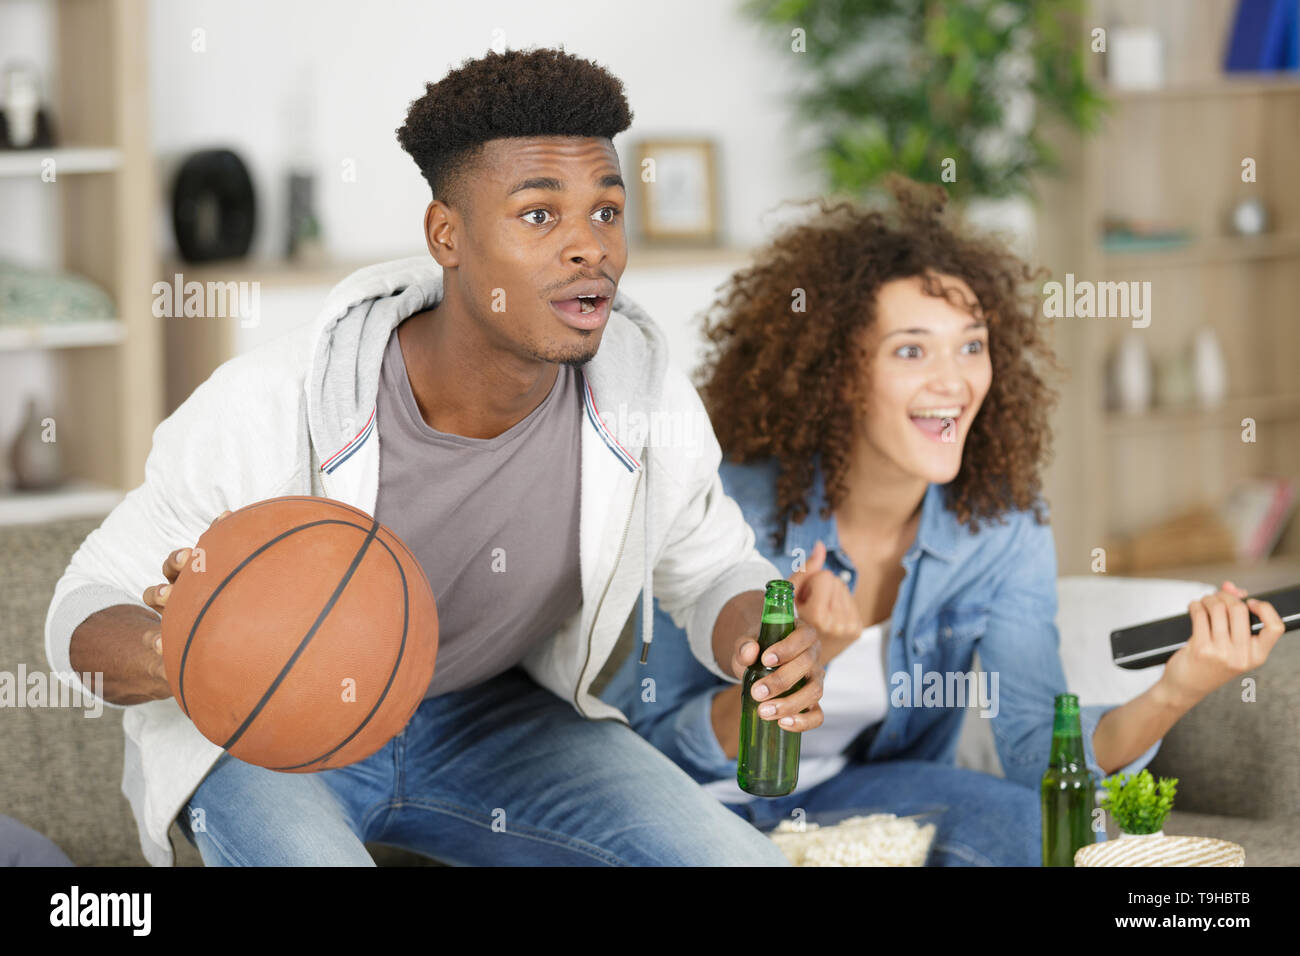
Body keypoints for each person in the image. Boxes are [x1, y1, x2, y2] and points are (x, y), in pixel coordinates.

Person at [45, 47, 825, 866]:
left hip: (495, 724)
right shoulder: (273, 401)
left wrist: (757, 641)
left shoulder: (643, 395)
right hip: (277, 736)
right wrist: (182, 650)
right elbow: (78, 609)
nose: (589, 247)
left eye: (606, 211)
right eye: (538, 215)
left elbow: (711, 572)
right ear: (445, 235)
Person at [600, 177, 1287, 866]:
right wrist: (804, 669)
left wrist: (1177, 688)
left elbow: (1033, 755)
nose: (953, 382)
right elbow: (652, 743)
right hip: (692, 802)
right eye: (910, 350)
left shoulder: (1001, 525)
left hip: (864, 792)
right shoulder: (731, 505)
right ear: (839, 375)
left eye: (971, 345)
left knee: (1061, 840)